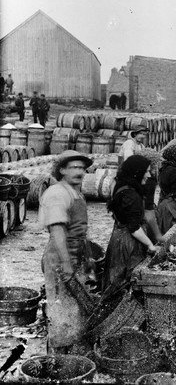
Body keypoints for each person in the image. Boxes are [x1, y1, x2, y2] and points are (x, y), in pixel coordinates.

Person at [39, 150, 94, 354]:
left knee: (73, 308)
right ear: (61, 170)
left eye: (82, 168)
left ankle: (70, 351)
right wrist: (67, 264)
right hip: (60, 258)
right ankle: (56, 358)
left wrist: (86, 255)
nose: (79, 171)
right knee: (59, 309)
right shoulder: (57, 193)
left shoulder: (75, 192)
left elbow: (79, 229)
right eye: (74, 167)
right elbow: (58, 231)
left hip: (75, 253)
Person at [101, 155, 157, 307]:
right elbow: (133, 228)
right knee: (125, 277)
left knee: (116, 275)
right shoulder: (131, 195)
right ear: (136, 172)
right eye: (146, 171)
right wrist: (150, 245)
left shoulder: (120, 185)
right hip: (128, 241)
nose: (149, 175)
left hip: (118, 235)